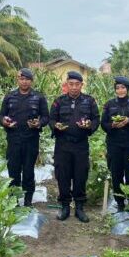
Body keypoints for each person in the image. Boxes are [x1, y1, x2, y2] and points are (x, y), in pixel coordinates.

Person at [49, 71, 100, 222]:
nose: (74, 87)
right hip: (63, 144)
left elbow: (96, 119)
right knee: (62, 175)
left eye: (77, 84)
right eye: (71, 84)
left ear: (81, 85)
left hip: (81, 144)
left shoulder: (89, 101)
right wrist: (56, 126)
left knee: (80, 175)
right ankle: (65, 206)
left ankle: (79, 207)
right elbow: (51, 119)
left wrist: (90, 125)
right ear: (67, 85)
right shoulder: (58, 101)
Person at [0, 68, 50, 207]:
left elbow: (46, 117)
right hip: (13, 139)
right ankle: (13, 200)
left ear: (31, 81)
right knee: (13, 170)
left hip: (31, 139)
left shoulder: (38, 97)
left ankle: (28, 201)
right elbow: (1, 115)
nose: (24, 81)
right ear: (17, 80)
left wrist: (38, 123)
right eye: (21, 79)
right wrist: (5, 122)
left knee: (28, 171)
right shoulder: (10, 96)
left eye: (27, 79)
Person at [100, 76, 129, 212]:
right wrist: (112, 125)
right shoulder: (109, 104)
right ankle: (119, 202)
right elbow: (104, 124)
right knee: (116, 173)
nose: (120, 90)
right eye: (117, 88)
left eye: (123, 88)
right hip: (114, 144)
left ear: (127, 89)